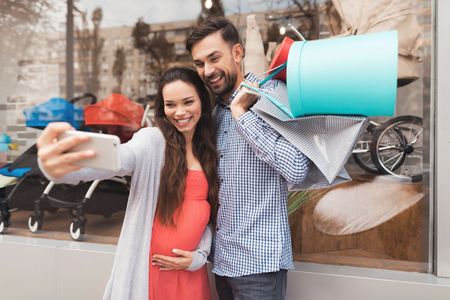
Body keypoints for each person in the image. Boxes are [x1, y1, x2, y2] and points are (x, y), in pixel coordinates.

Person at [36, 66, 219, 300]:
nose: (179, 112)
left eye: (187, 102)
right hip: (152, 274)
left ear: (202, 102)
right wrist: (62, 167)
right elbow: (120, 158)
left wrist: (198, 258)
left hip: (191, 275)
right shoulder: (153, 141)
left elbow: (208, 215)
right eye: (170, 104)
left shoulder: (209, 150)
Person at [186, 17, 311, 299]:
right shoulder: (213, 114)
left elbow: (296, 169)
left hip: (259, 265)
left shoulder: (272, 97)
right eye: (199, 63)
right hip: (221, 262)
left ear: (238, 53)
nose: (207, 70)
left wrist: (242, 115)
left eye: (214, 58)